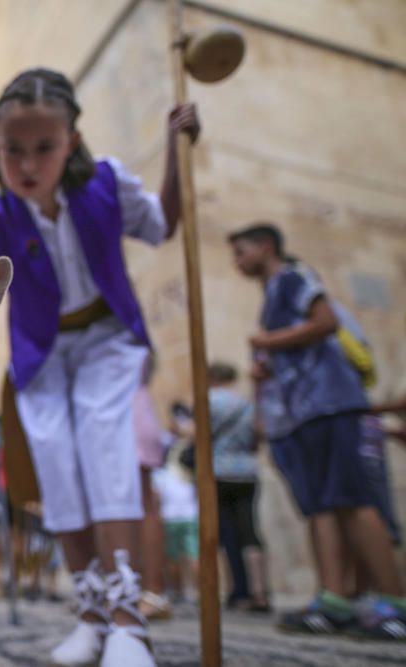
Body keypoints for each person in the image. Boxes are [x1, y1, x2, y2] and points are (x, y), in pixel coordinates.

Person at [0, 67, 199, 666]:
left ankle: (128, 620)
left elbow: (164, 224)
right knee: (57, 468)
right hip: (40, 354)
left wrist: (178, 153)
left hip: (106, 339)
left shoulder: (108, 184)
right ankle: (91, 612)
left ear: (71, 139)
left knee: (105, 447)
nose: (27, 164)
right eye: (13, 149)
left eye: (44, 147)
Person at [229, 222, 406, 640]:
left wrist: (269, 341)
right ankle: (333, 599)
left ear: (266, 246)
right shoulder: (273, 293)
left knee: (353, 500)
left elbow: (324, 322)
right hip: (302, 412)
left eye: (241, 252)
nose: (237, 263)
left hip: (329, 403)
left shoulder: (293, 276)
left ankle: (394, 601)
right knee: (320, 507)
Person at [206, 361, 270, 612]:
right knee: (250, 532)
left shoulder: (208, 401)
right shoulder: (246, 403)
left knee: (227, 535)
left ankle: (239, 591)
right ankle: (260, 591)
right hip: (246, 472)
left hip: (218, 472)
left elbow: (200, 435)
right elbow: (256, 438)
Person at [133, 355, 173, 621]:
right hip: (137, 410)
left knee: (144, 506)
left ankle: (152, 592)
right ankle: (141, 590)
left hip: (126, 414)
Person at [152, 461, 198, 602]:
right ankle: (197, 591)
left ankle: (178, 591)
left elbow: (156, 498)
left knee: (173, 558)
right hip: (191, 517)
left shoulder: (161, 473)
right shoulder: (189, 470)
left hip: (170, 518)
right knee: (193, 555)